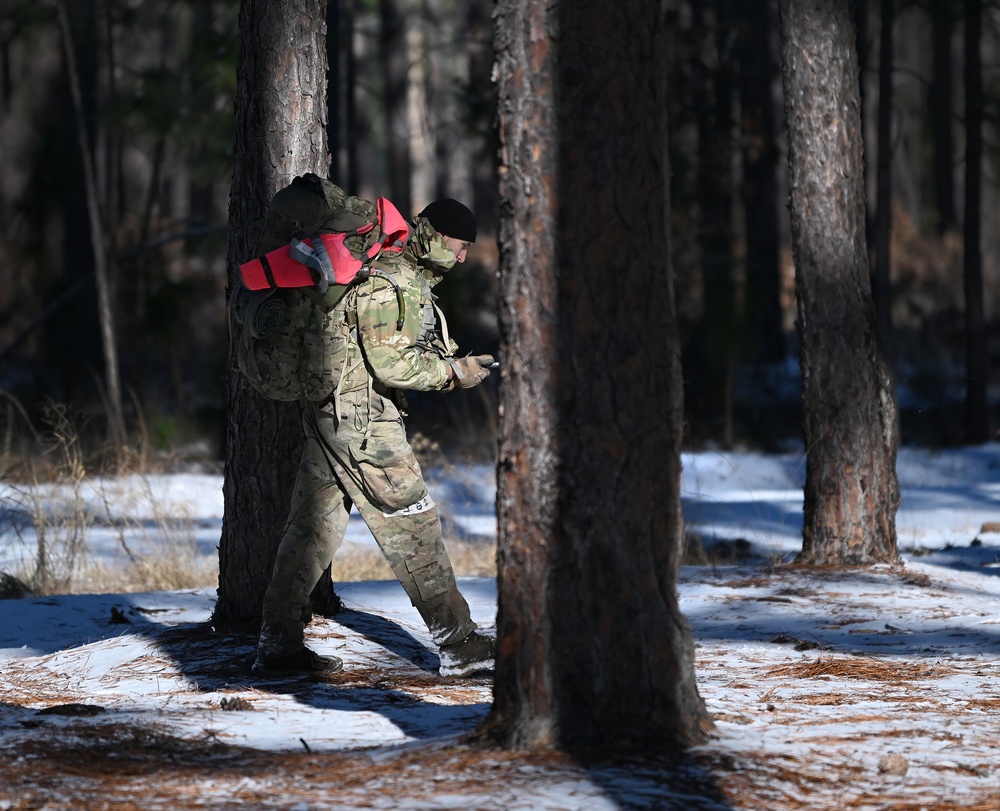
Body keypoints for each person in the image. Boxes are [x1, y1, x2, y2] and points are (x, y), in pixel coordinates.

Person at [252, 198, 496, 679]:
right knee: (413, 525)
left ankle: (277, 644)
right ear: (434, 234)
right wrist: (454, 372)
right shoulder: (394, 278)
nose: (464, 257)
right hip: (365, 423)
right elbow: (391, 364)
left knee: (311, 530)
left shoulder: (388, 270)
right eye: (460, 246)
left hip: (334, 415)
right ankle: (460, 643)